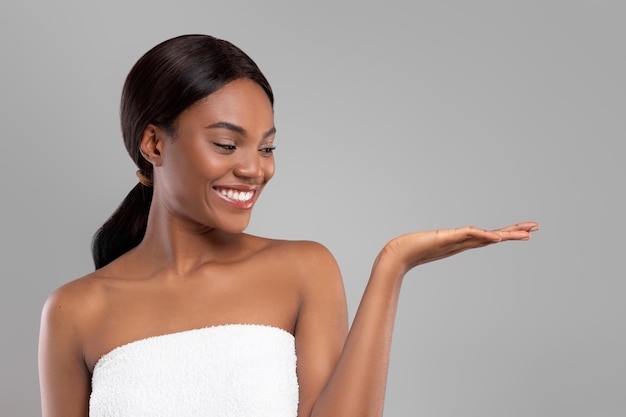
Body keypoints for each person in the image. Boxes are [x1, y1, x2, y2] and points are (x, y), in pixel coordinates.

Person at [38, 34, 538, 417]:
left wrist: (392, 267)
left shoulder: (301, 269)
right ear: (154, 144)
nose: (256, 169)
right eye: (227, 145)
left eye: (267, 147)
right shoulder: (74, 310)